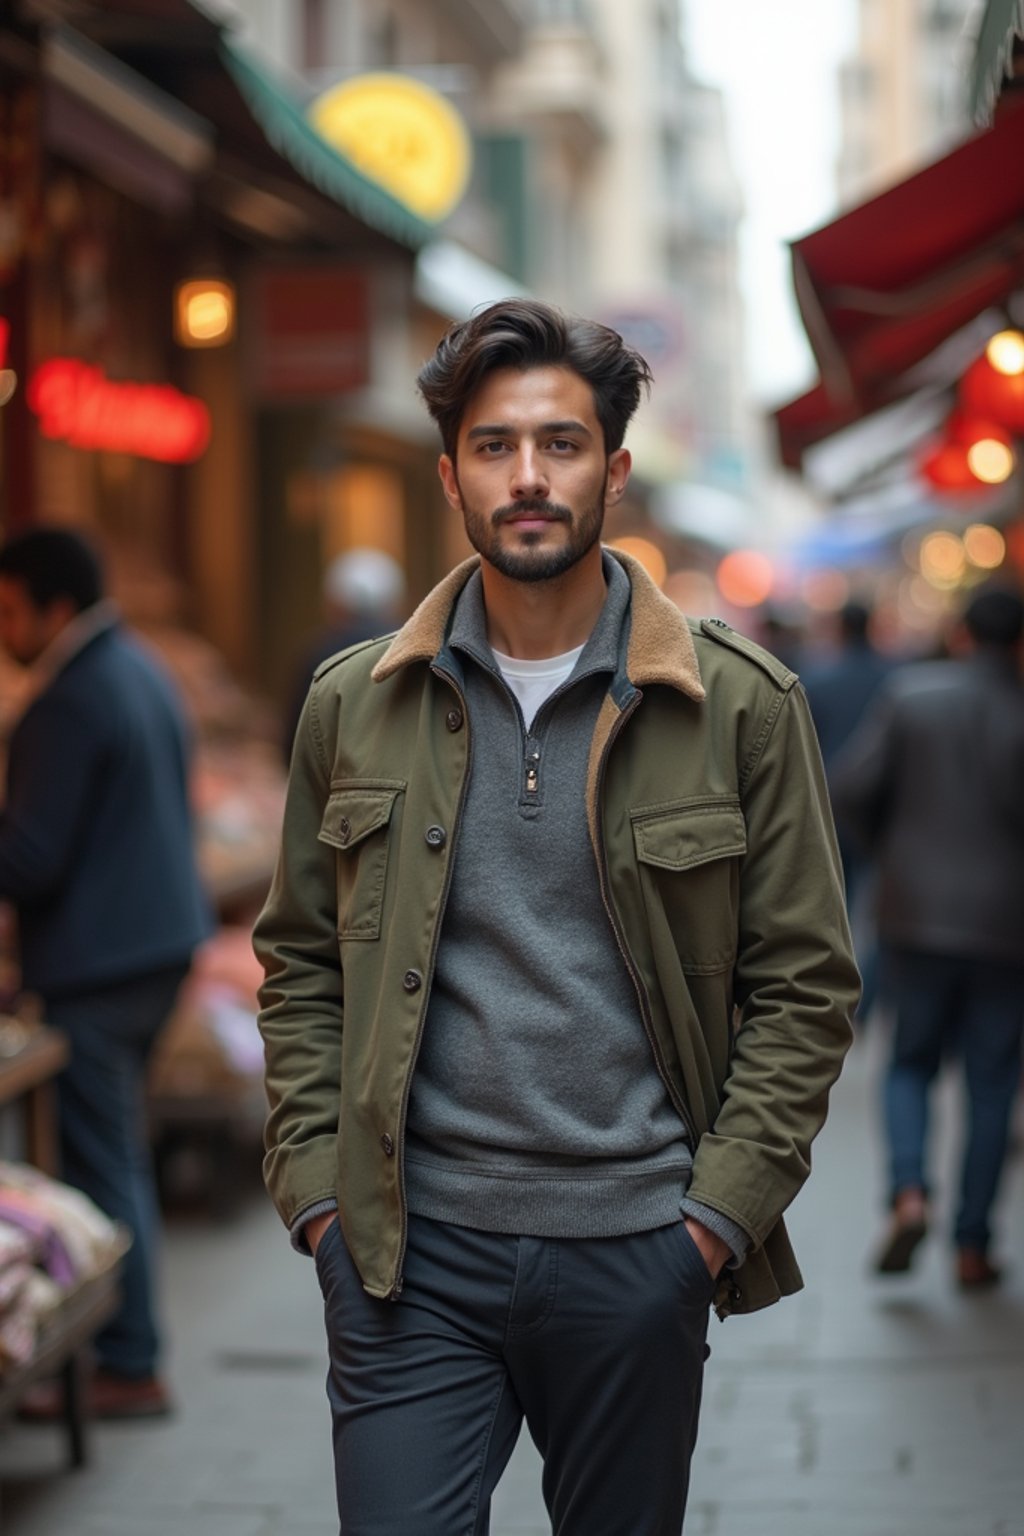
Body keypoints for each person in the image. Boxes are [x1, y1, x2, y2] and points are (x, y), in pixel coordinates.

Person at [254, 299, 858, 1536]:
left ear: (614, 470)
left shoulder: (738, 705)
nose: (527, 476)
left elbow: (805, 984)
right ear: (449, 475)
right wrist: (316, 1190)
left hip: (636, 1248)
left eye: (561, 444)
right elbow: (300, 964)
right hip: (403, 1256)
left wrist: (713, 1222)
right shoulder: (351, 706)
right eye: (493, 446)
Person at [0, 528, 211, 1417]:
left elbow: (32, 857)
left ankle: (127, 1361)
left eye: (10, 611)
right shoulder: (139, 667)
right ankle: (126, 1353)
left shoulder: (69, 699)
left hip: (102, 962)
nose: (4, 630)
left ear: (55, 607)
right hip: (152, 946)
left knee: (102, 1157)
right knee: (112, 1148)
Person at [831, 585, 1024, 1289]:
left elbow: (847, 788)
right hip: (1007, 927)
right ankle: (973, 1245)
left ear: (962, 633)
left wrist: (896, 851)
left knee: (909, 1062)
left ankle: (910, 1192)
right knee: (992, 1083)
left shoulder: (913, 697)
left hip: (914, 916)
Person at [801, 600, 892, 1020]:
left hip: (828, 807)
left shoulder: (819, 680)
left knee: (836, 908)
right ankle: (864, 1001)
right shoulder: (894, 677)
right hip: (882, 813)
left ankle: (838, 996)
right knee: (876, 914)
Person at [282, 546, 406, 760]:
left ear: (333, 603)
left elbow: (294, 743)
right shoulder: (412, 651)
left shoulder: (317, 655)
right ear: (394, 603)